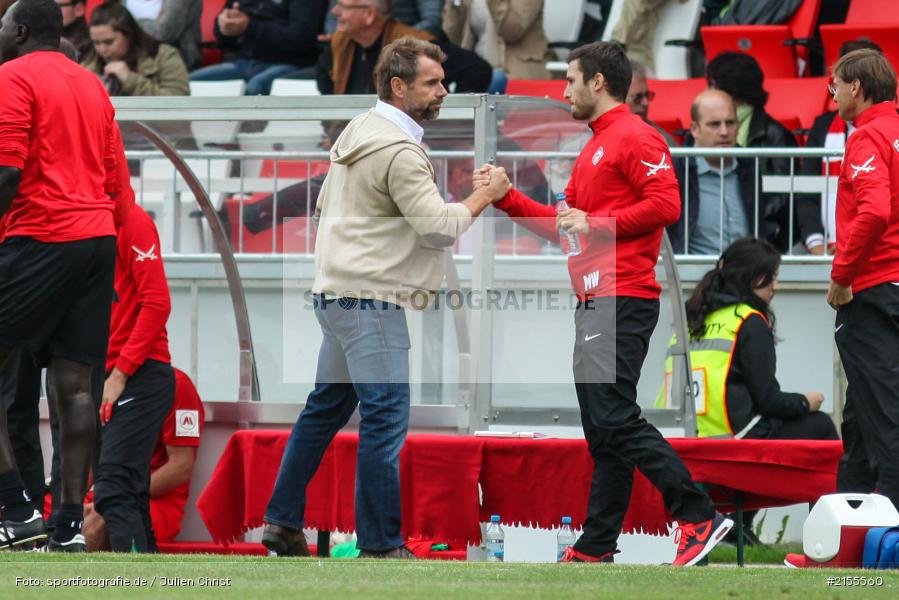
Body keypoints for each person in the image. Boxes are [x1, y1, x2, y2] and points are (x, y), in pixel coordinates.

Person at [478, 41, 732, 565]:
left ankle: (697, 513)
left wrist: (597, 222)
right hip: (597, 296)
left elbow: (667, 205)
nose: (563, 89)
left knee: (613, 418)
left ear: (598, 82)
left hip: (622, 294)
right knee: (603, 429)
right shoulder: (597, 145)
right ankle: (596, 544)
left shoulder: (636, 135)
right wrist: (505, 197)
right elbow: (564, 230)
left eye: (570, 78)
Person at [262, 36, 510, 558]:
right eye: (432, 83)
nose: (444, 90)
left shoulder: (358, 131)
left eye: (443, 81)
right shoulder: (399, 150)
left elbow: (322, 212)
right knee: (385, 419)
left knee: (323, 412)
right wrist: (487, 193)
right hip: (372, 302)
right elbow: (439, 228)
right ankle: (379, 545)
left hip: (338, 296)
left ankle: (282, 521)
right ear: (398, 87)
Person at [0, 0, 119, 551]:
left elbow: (6, 169)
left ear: (20, 31)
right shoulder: (91, 83)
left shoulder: (13, 76)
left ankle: (15, 507)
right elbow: (112, 170)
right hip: (97, 237)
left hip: (42, 234)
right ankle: (69, 525)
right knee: (74, 386)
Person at [660, 237, 838, 440]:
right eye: (771, 278)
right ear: (751, 278)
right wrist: (805, 401)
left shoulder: (690, 318)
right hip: (732, 439)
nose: (776, 286)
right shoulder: (748, 321)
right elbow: (768, 401)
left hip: (680, 437)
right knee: (820, 424)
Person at [826, 48, 899, 510]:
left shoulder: (867, 137)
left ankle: (890, 523)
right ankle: (843, 528)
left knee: (884, 411)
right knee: (861, 413)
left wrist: (842, 275)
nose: (831, 94)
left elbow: (874, 211)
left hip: (873, 287)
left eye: (834, 84)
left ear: (856, 87)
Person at [83, 368, 204, 550]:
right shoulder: (104, 382)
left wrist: (114, 498)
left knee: (100, 520)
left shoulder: (177, 385)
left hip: (152, 500)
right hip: (106, 491)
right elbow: (92, 454)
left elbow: (181, 467)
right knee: (46, 510)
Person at [705, 51, 810, 253]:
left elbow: (783, 196)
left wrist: (746, 212)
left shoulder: (776, 136)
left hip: (765, 241)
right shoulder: (703, 130)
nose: (706, 90)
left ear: (730, 89)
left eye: (711, 83)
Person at [669, 89, 786, 254]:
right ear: (694, 129)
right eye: (714, 124)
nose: (724, 132)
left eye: (730, 123)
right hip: (691, 275)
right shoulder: (676, 167)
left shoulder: (749, 163)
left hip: (744, 273)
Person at [798, 40, 884, 256]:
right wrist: (818, 247)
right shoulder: (822, 126)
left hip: (882, 251)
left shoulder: (893, 128)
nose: (834, 94)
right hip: (826, 247)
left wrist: (854, 247)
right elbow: (806, 194)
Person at [317, 0, 491, 95]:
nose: (335, 12)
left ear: (369, 14)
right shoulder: (340, 43)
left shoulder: (414, 45)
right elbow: (324, 77)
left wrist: (449, 119)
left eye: (344, 6)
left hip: (407, 143)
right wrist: (333, 130)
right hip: (356, 143)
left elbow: (477, 69)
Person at [189, 0, 329, 96]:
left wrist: (249, 26)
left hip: (290, 63)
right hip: (242, 62)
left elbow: (301, 38)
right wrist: (225, 28)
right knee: (188, 84)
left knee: (256, 87)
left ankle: (249, 139)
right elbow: (222, 36)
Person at [442, 0, 554, 93]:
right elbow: (454, 37)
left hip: (511, 68)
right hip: (475, 69)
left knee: (481, 88)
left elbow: (512, 31)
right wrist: (456, 3)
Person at [82, 1, 190, 96]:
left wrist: (130, 80)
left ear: (129, 34)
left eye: (109, 42)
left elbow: (178, 103)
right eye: (96, 43)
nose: (102, 49)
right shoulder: (88, 66)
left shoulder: (164, 56)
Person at [125, 0, 202, 70]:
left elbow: (162, 32)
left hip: (174, 65)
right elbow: (115, 24)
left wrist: (128, 23)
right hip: (129, 60)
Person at [626, 59, 676, 146]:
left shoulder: (663, 139)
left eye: (647, 95)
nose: (645, 103)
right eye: (638, 97)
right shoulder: (600, 135)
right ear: (618, 97)